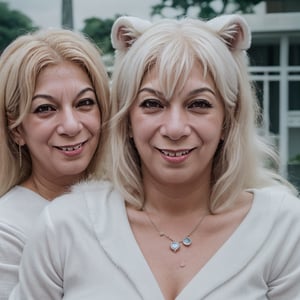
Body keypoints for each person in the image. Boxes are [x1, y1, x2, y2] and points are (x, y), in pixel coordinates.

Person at [10, 15, 300, 300]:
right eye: (152, 103)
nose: (174, 128)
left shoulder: (283, 226)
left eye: (199, 104)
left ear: (228, 120)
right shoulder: (63, 226)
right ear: (127, 120)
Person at [0, 28, 110, 299]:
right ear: (17, 129)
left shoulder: (125, 200)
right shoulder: (7, 229)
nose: (71, 126)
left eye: (84, 103)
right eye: (45, 109)